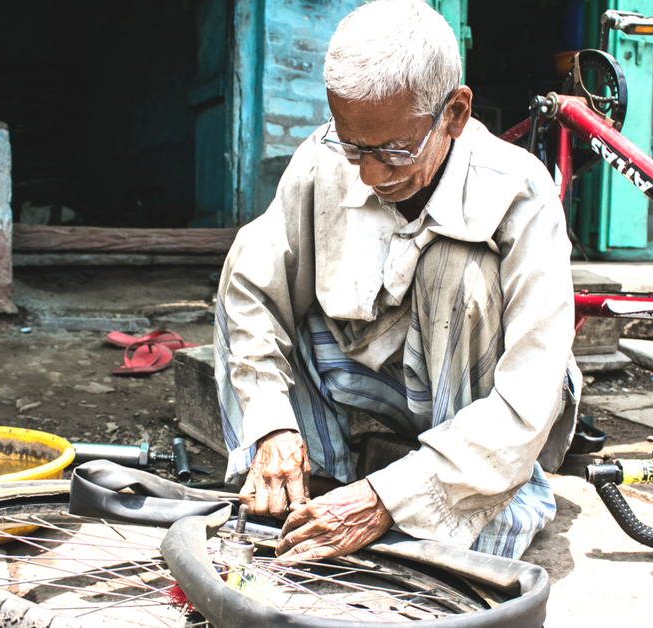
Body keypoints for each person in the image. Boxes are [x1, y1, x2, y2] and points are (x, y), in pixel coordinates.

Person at [214, 0, 579, 563]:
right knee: (249, 257)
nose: (368, 172)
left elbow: (528, 397)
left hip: (487, 408)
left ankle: (461, 505)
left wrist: (385, 499)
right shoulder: (325, 158)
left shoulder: (519, 192)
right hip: (381, 373)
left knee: (462, 270)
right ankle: (306, 493)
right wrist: (271, 425)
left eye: (393, 149)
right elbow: (253, 295)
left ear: (454, 114)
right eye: (353, 144)